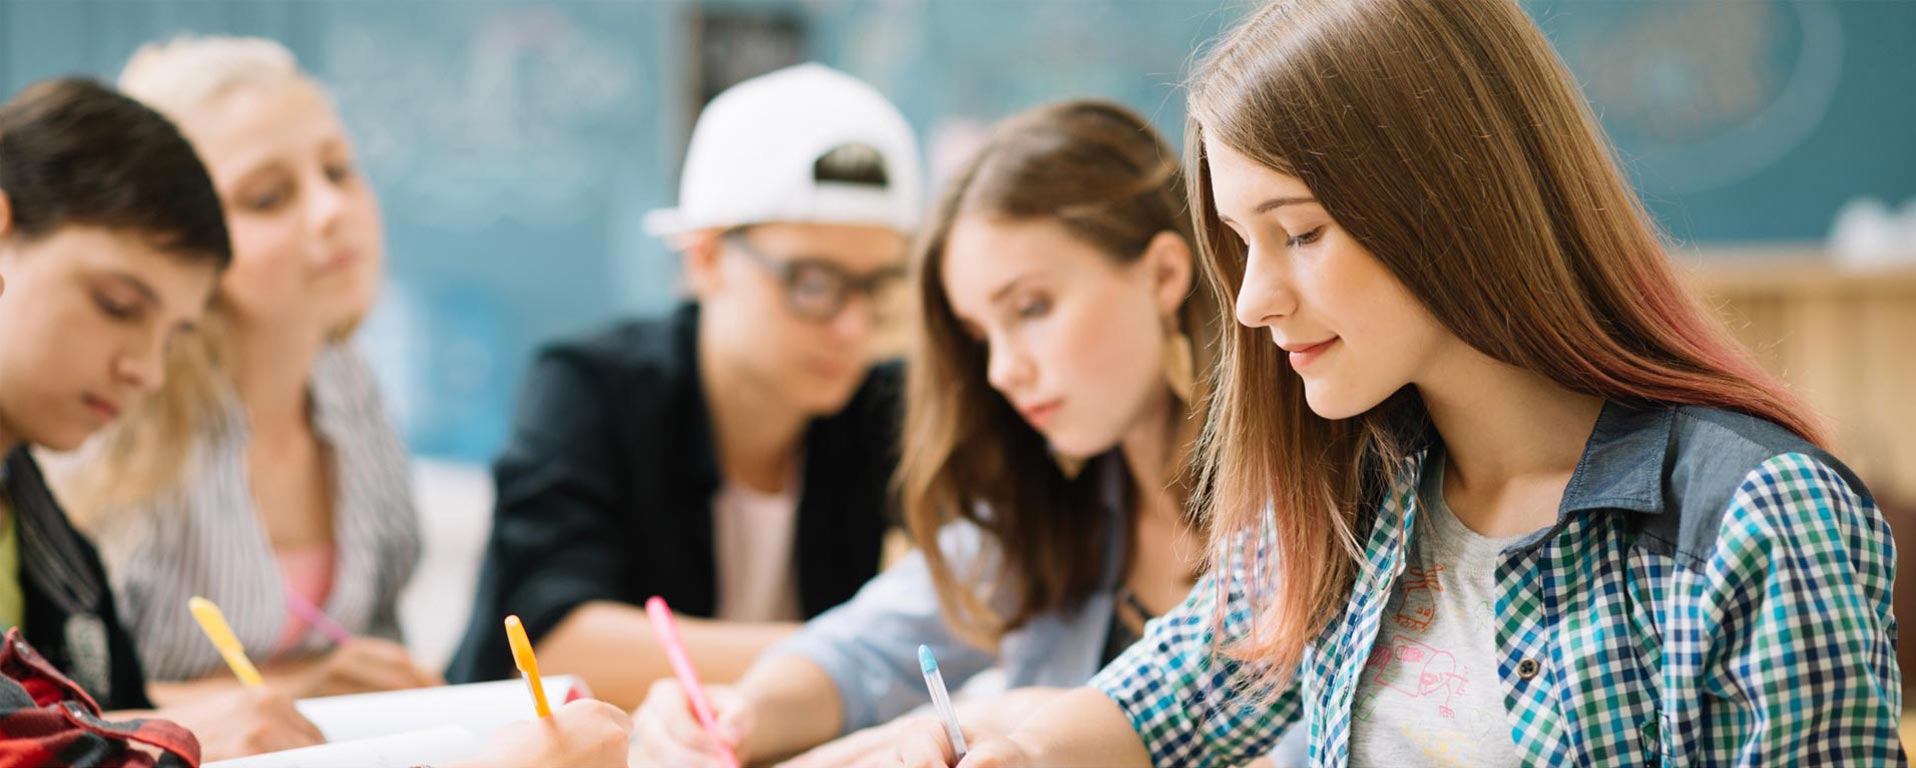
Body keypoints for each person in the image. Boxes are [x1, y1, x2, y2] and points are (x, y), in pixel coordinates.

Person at [883, 0, 1904, 766]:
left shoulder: (1757, 519)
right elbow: (1158, 708)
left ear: (1454, 199)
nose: (1248, 303)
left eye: (1299, 235)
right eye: (1240, 246)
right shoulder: (1351, 496)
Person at [631, 100, 1302, 768]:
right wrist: (741, 714)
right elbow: (865, 649)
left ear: (1163, 273)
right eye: (979, 336)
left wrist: (1018, 721)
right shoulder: (1043, 510)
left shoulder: (1310, 502)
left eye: (1032, 308)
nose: (1004, 371)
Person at [448, 62, 920, 709]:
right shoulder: (590, 387)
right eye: (814, 284)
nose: (853, 326)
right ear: (704, 257)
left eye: (881, 287)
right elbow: (551, 647)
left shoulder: (882, 406)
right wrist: (854, 655)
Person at [53, 35, 433, 703]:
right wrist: (295, 691)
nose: (331, 211)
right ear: (176, 241)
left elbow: (379, 630)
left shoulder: (349, 382)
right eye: (266, 198)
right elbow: (56, 704)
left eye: (340, 171)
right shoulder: (105, 416)